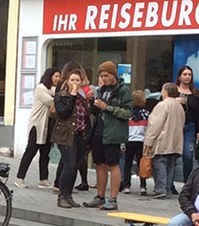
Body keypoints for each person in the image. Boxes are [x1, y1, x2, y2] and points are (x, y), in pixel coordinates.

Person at [83, 61, 131, 211]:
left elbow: (127, 113)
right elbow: (94, 112)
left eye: (106, 75)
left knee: (113, 164)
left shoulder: (123, 91)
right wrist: (91, 102)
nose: (103, 79)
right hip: (99, 131)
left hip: (113, 132)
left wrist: (108, 108)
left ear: (113, 74)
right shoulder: (101, 90)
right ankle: (100, 196)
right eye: (101, 76)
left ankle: (113, 199)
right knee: (99, 164)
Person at [52, 65, 91, 209]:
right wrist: (73, 96)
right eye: (72, 80)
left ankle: (68, 196)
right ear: (67, 81)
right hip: (66, 135)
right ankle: (61, 196)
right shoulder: (61, 96)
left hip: (80, 135)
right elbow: (63, 112)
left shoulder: (82, 97)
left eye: (77, 80)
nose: (75, 82)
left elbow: (87, 115)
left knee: (75, 165)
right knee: (69, 165)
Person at [15, 67, 60, 189]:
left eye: (59, 77)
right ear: (49, 76)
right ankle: (20, 177)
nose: (58, 79)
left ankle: (43, 179)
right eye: (56, 76)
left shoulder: (55, 90)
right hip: (38, 125)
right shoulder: (41, 88)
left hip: (48, 126)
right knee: (31, 151)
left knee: (45, 153)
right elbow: (51, 102)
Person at [144, 83, 185, 200]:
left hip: (163, 140)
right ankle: (166, 189)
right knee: (170, 166)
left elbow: (155, 125)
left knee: (159, 164)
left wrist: (149, 141)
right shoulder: (179, 106)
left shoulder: (162, 105)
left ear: (165, 92)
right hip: (176, 141)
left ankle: (160, 188)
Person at [176, 65, 199, 183]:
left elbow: (198, 113)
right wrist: (174, 101)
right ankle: (169, 184)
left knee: (188, 155)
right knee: (173, 155)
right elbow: (163, 105)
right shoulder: (174, 91)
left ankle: (187, 183)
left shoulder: (195, 93)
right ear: (180, 76)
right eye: (185, 74)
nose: (187, 77)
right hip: (175, 126)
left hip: (190, 126)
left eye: (189, 75)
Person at [125, 90, 149, 195]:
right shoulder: (146, 114)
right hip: (141, 140)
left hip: (129, 140)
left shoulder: (128, 113)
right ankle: (143, 186)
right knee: (141, 164)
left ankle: (127, 186)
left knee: (127, 163)